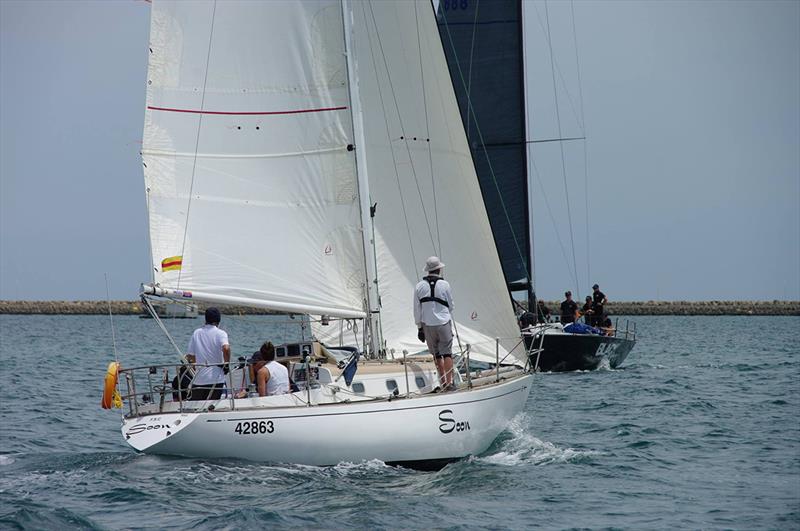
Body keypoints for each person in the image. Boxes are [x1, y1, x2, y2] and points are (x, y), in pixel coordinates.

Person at [413, 256, 456, 391]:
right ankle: (450, 384)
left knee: (437, 354)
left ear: (427, 270)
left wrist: (420, 328)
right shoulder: (445, 285)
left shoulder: (419, 286)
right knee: (447, 353)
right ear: (439, 269)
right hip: (443, 322)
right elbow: (451, 306)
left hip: (427, 325)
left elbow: (416, 309)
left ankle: (443, 383)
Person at [186, 307, 231, 401]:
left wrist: (195, 365)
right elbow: (226, 348)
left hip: (199, 379)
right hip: (216, 379)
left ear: (206, 319)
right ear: (218, 320)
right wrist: (226, 364)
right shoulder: (221, 333)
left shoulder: (197, 333)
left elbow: (190, 355)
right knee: (211, 406)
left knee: (196, 406)